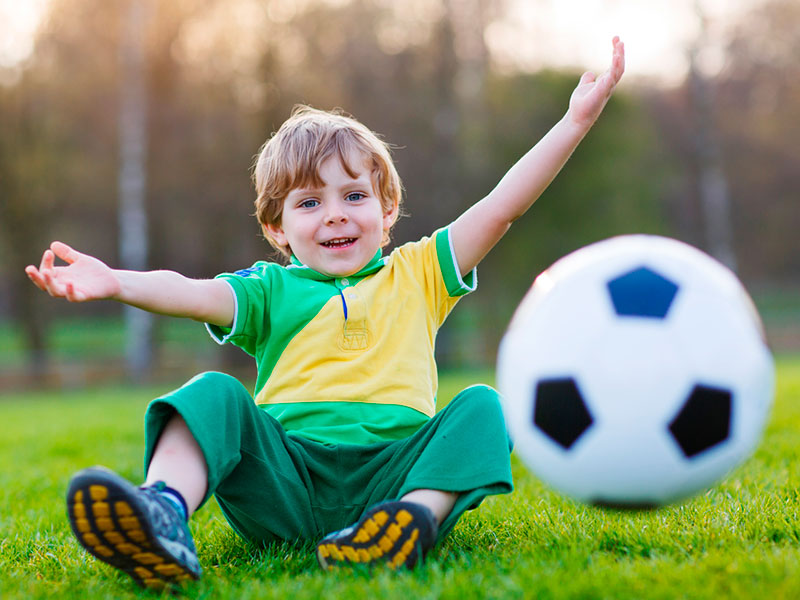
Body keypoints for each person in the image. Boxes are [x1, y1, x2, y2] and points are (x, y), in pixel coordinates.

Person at [26, 37, 625, 588]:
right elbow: (186, 290)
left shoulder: (420, 273)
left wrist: (575, 122)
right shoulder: (267, 291)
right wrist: (113, 281)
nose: (336, 214)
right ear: (276, 227)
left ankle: (408, 524)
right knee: (213, 391)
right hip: (288, 482)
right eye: (310, 202)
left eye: (355, 196)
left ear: (387, 211)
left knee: (482, 404)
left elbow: (500, 209)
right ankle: (162, 512)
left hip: (395, 474)